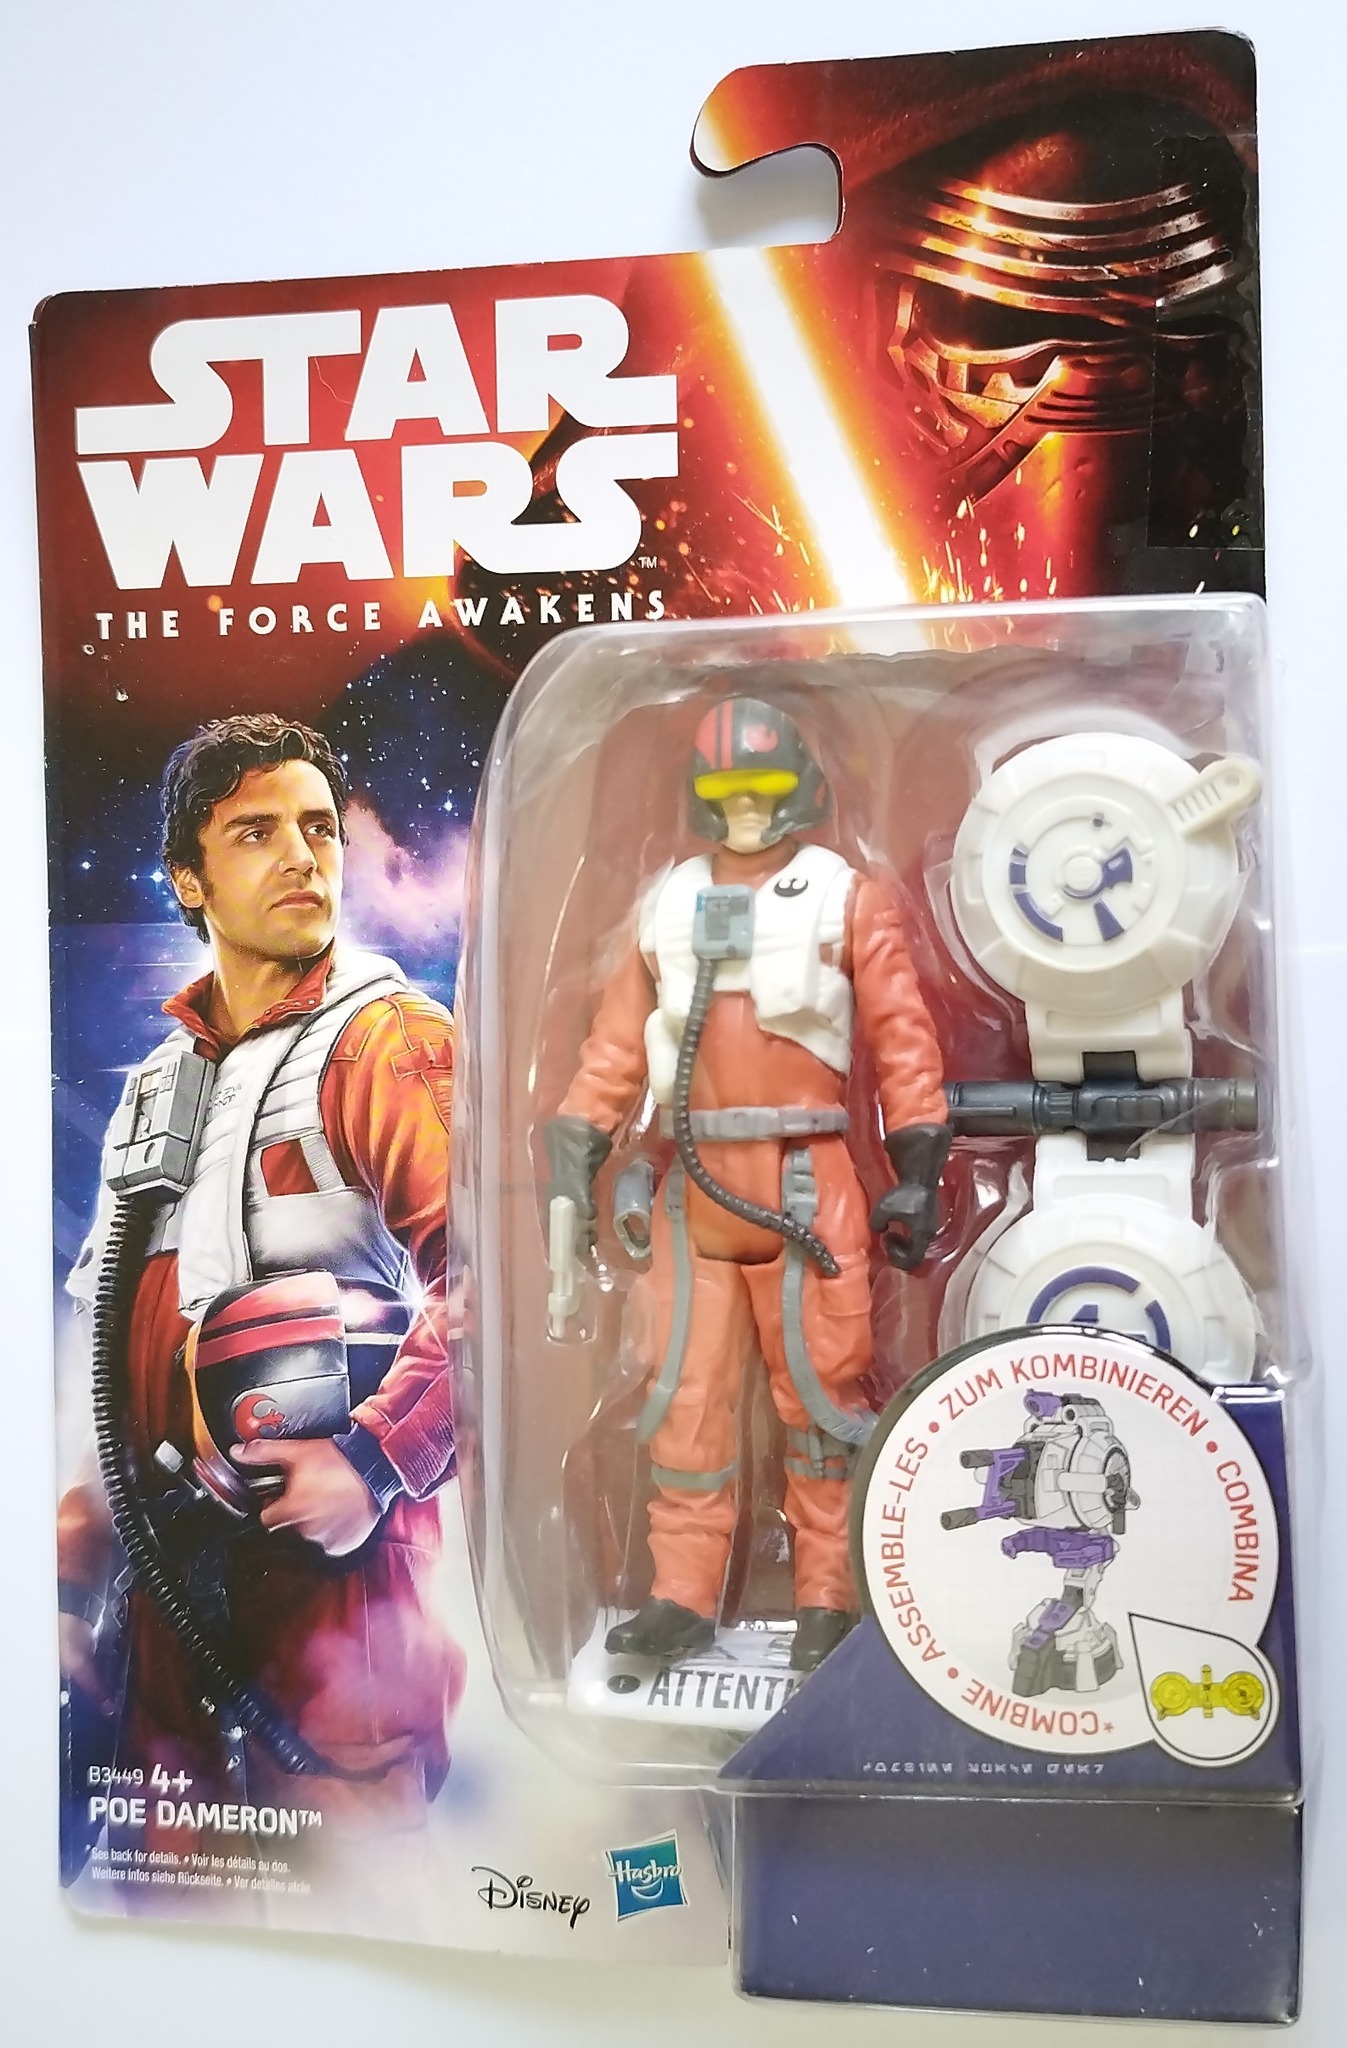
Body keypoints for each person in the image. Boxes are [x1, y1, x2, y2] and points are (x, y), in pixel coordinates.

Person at [57, 713, 462, 1869]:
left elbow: (504, 1288)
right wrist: (69, 1574)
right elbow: (103, 1352)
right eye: (256, 832)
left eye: (320, 828)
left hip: (336, 1594)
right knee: (163, 1901)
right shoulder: (152, 1090)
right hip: (161, 1604)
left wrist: (374, 1460)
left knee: (357, 1894)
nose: (302, 856)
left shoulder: (388, 1040)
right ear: (189, 877)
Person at [545, 693, 949, 1672]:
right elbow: (613, 1050)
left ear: (797, 789)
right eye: (729, 791)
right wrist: (578, 1152)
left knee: (821, 1402)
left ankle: (827, 1598)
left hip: (808, 1178)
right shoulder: (668, 904)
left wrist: (918, 1164)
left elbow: (901, 1035)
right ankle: (681, 1595)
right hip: (694, 1191)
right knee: (683, 1402)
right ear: (702, 795)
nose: (747, 810)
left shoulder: (844, 896)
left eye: (764, 789)